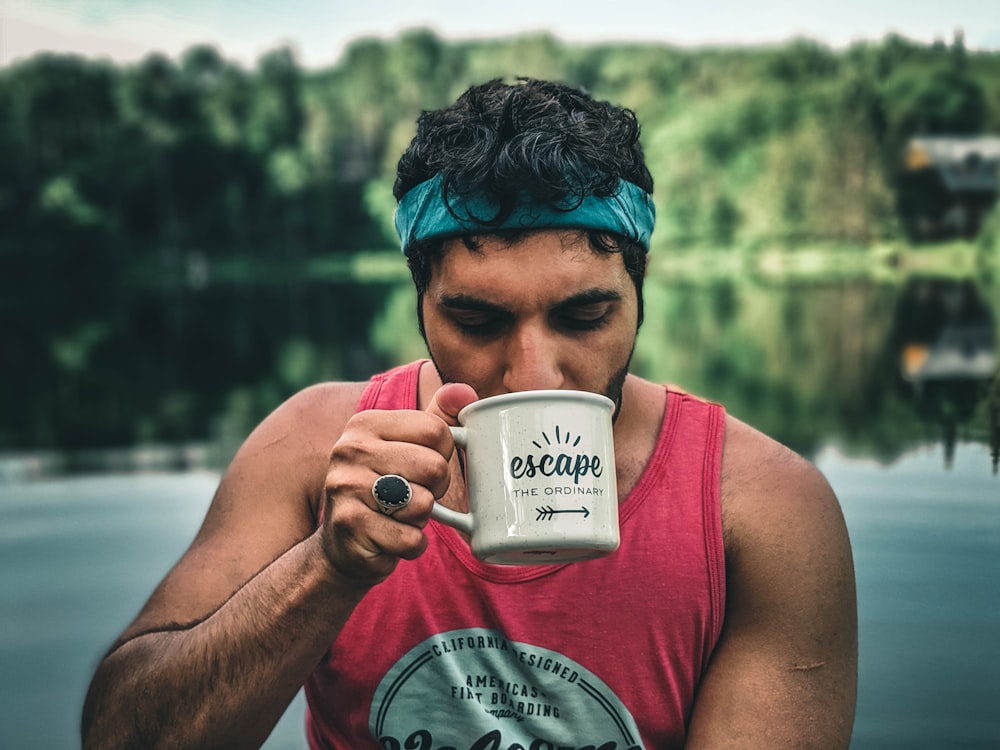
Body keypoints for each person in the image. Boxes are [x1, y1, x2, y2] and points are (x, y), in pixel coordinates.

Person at [82, 78, 857, 749]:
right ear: (420, 300)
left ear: (640, 286)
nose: (532, 376)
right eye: (478, 322)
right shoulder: (315, 446)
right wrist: (328, 568)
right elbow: (120, 737)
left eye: (584, 317)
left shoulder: (761, 509)